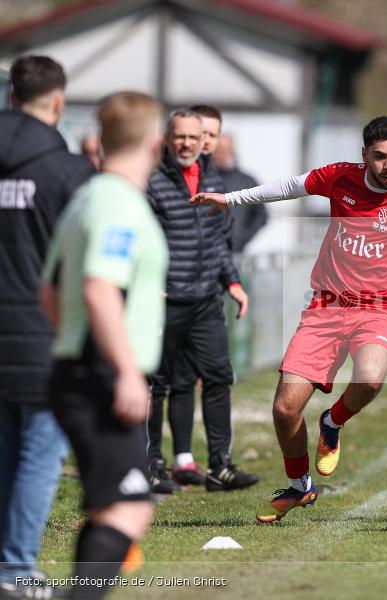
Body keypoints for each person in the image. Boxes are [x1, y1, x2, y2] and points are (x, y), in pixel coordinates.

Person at [190, 115, 387, 523]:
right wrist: (231, 198)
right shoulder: (339, 178)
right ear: (365, 156)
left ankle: (332, 420)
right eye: (380, 157)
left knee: (371, 378)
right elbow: (290, 186)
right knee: (285, 409)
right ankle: (299, 486)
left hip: (379, 309)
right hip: (326, 306)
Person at [42, 91, 168, 600]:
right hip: (103, 374)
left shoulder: (87, 197)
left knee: (109, 507)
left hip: (82, 367)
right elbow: (98, 286)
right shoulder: (118, 202)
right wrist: (125, 370)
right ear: (155, 144)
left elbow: (49, 290)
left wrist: (69, 341)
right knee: (130, 506)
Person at [0, 55, 94, 599]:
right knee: (38, 454)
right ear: (57, 102)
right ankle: (14, 572)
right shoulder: (68, 172)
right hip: (41, 335)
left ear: (13, 98)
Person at [146, 109, 257, 492]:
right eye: (181, 136)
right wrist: (147, 282)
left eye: (196, 137)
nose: (189, 144)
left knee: (217, 378)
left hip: (206, 300)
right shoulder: (153, 180)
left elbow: (216, 242)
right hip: (164, 299)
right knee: (156, 383)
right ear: (168, 137)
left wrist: (233, 283)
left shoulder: (212, 177)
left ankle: (220, 467)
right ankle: (152, 465)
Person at [213, 133, 268, 252]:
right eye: (217, 150)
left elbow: (261, 215)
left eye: (224, 150)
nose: (219, 155)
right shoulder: (205, 180)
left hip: (235, 253)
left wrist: (242, 238)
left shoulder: (247, 182)